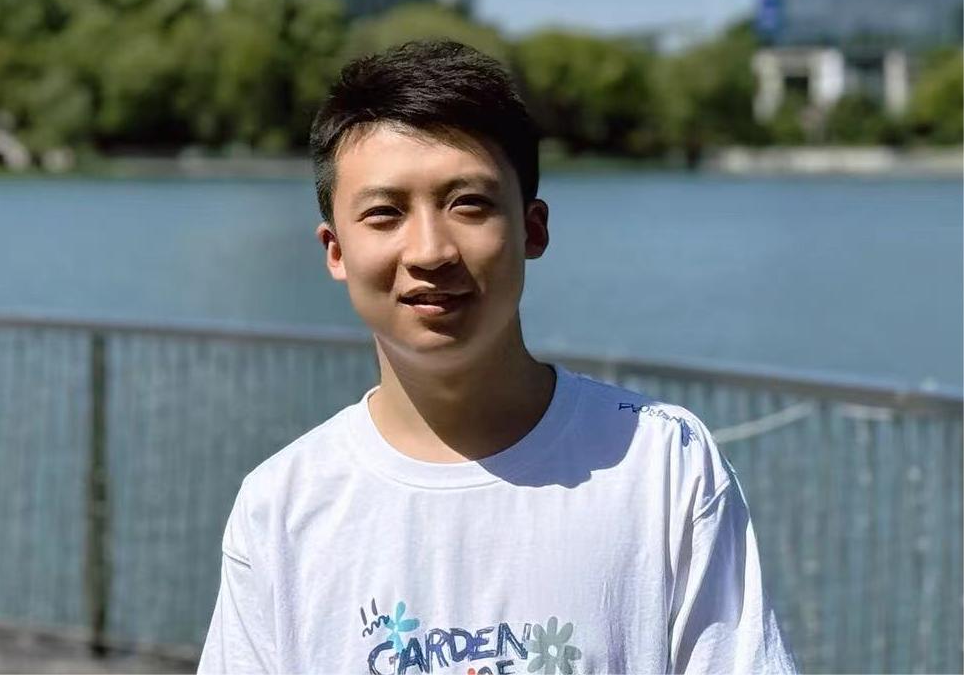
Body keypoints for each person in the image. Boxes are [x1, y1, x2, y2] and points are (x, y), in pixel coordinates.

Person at [198, 40, 796, 675]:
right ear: (336, 251)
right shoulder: (282, 507)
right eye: (384, 213)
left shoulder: (662, 464)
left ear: (533, 228)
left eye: (469, 205)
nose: (429, 251)